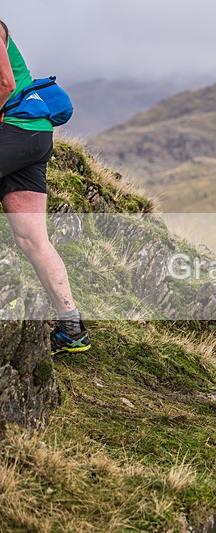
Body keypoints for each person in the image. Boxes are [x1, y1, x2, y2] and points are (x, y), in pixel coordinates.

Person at [0, 21, 89, 354]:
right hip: (33, 135)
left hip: (15, 130)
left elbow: (6, 83)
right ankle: (72, 328)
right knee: (32, 239)